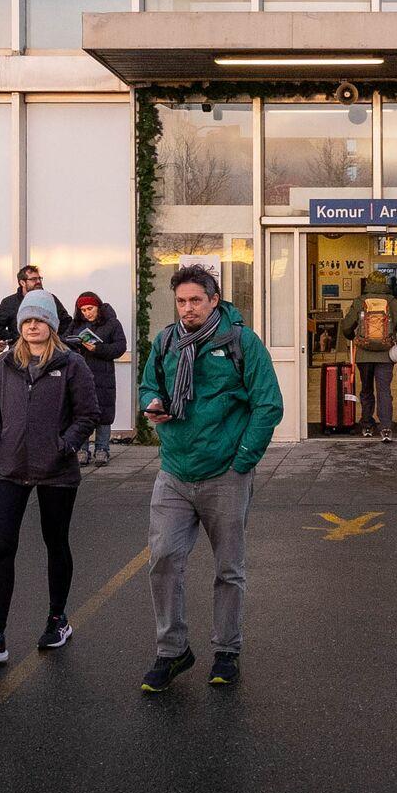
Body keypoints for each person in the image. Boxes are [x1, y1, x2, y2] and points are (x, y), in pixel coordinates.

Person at [139, 262, 282, 692]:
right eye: (181, 301)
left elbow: (268, 404)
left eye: (195, 300)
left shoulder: (241, 342)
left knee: (228, 569)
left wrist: (243, 459)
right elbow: (148, 386)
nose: (187, 309)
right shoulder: (165, 341)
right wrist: (153, 403)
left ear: (214, 300)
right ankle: (172, 651)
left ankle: (226, 651)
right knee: (163, 562)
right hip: (175, 472)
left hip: (225, 474)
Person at [0, 289, 97, 667]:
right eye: (26, 320)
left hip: (56, 472)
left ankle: (58, 619)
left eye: (39, 319)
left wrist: (65, 446)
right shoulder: (5, 363)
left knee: (56, 545)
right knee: (1, 550)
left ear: (51, 325)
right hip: (9, 469)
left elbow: (88, 415)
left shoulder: (72, 365)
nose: (32, 325)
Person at [340, 269, 397, 442]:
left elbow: (347, 326)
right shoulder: (394, 302)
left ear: (368, 283)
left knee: (366, 389)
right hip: (386, 355)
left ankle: (367, 425)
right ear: (384, 283)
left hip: (364, 354)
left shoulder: (360, 301)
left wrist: (352, 337)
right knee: (384, 391)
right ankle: (385, 428)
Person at [65, 289, 130, 464]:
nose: (87, 313)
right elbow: (64, 343)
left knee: (104, 412)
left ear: (98, 307)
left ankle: (102, 449)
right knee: (81, 412)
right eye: (83, 310)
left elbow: (120, 347)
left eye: (90, 309)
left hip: (103, 375)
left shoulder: (112, 324)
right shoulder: (76, 324)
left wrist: (98, 349)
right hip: (80, 375)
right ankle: (82, 449)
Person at [0, 264, 68, 344]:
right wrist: (17, 338)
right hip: (20, 351)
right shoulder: (9, 302)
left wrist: (55, 338)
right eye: (33, 279)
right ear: (22, 282)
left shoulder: (49, 299)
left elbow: (66, 321)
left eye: (39, 278)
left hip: (48, 350)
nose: (38, 282)